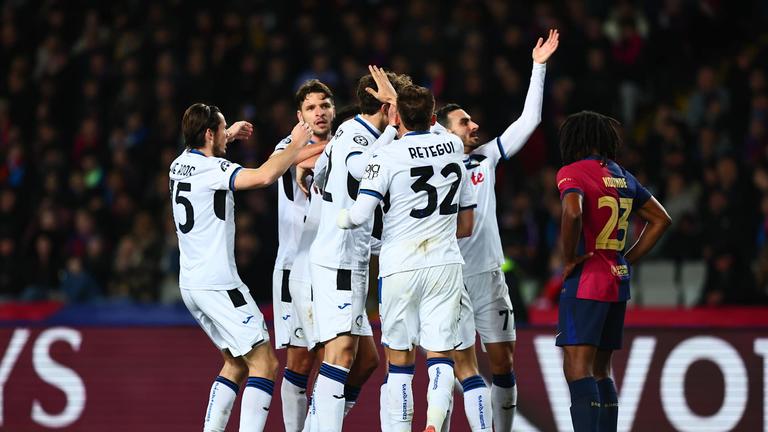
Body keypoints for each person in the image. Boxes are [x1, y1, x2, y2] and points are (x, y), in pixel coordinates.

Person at [433, 29, 559, 431]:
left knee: (503, 364)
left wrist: (538, 68)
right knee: (459, 365)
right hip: (448, 280)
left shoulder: (485, 158)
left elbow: (530, 121)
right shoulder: (424, 168)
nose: (475, 125)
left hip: (488, 276)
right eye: (464, 121)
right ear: (442, 130)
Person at [338, 82, 476, 432]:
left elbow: (359, 213)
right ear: (433, 115)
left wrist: (337, 218)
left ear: (396, 115)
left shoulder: (387, 156)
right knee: (441, 355)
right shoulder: (454, 145)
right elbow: (438, 127)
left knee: (399, 362)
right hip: (445, 263)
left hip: (400, 265)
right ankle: (433, 423)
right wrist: (400, 102)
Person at [170, 103, 312, 432]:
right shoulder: (215, 169)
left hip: (191, 284)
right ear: (209, 134)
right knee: (264, 364)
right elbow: (264, 176)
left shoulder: (178, 165)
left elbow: (199, 154)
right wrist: (296, 143)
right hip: (220, 285)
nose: (225, 134)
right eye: (220, 130)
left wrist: (228, 135)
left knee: (235, 363)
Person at [555, 110, 671, 432]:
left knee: (578, 368)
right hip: (617, 277)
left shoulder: (572, 172)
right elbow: (661, 220)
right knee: (601, 369)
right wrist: (627, 259)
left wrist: (568, 257)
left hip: (588, 277)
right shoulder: (623, 176)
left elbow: (573, 212)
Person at [306, 67, 404, 432]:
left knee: (365, 361)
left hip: (352, 257)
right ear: (386, 108)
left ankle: (315, 426)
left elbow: (319, 174)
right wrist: (392, 133)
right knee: (341, 354)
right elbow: (360, 167)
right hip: (339, 261)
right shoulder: (360, 136)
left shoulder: (350, 131)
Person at [271, 79, 336, 432]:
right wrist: (305, 156)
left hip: (332, 270)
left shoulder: (345, 144)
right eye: (311, 108)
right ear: (300, 116)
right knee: (300, 361)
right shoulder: (287, 146)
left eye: (324, 105)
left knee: (344, 359)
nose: (320, 112)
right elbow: (280, 163)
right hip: (295, 268)